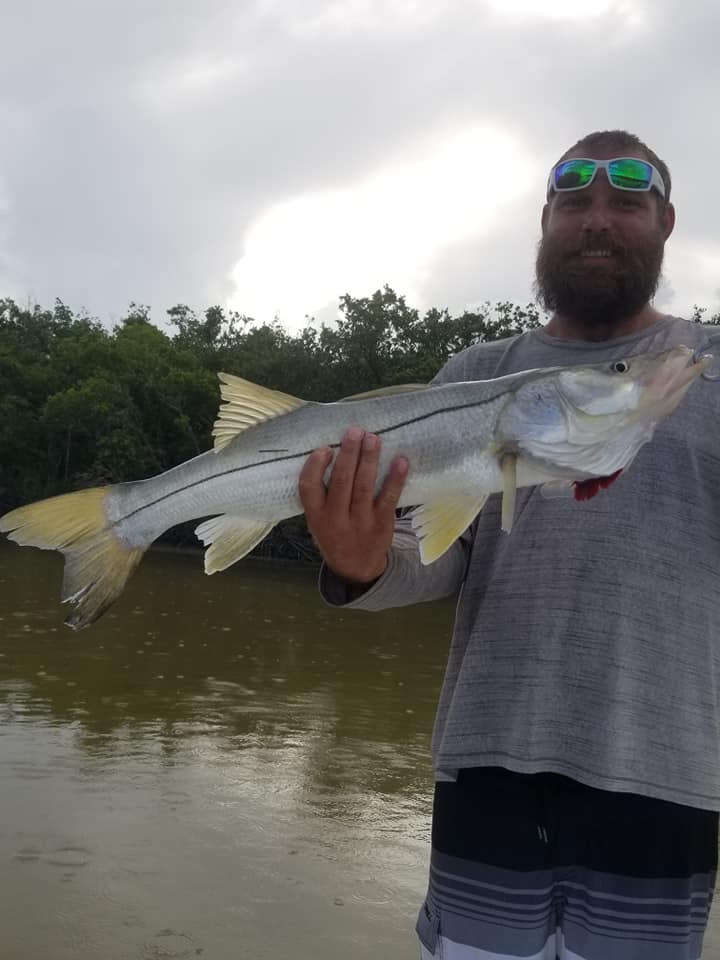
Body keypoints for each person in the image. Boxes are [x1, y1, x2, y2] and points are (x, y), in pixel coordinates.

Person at [298, 130, 720, 960]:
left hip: (667, 769)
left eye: (626, 203)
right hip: (490, 759)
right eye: (575, 202)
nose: (597, 220)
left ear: (666, 223)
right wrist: (360, 565)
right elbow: (437, 558)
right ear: (545, 221)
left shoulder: (706, 367)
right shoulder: (475, 373)